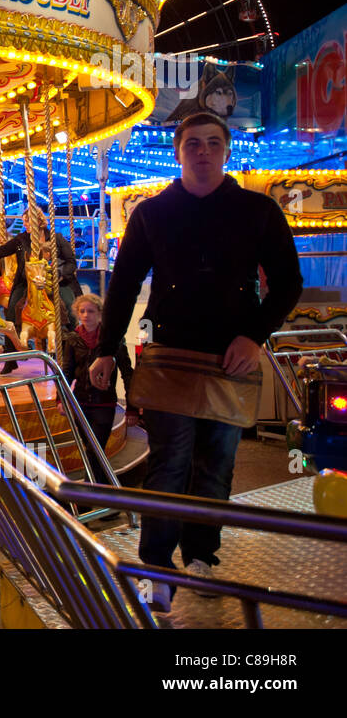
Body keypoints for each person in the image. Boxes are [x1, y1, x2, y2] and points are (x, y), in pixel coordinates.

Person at [89, 112, 302, 613]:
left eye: (211, 143)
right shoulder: (152, 213)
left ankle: (202, 555)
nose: (202, 151)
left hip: (231, 356)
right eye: (192, 144)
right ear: (178, 151)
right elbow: (122, 286)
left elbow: (288, 282)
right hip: (170, 355)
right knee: (169, 462)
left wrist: (253, 337)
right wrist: (105, 349)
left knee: (217, 462)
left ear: (226, 151)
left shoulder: (258, 210)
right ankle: (156, 567)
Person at [0, 208, 77, 374]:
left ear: (38, 221)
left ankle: (67, 355)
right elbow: (0, 251)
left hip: (54, 281)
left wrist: (59, 275)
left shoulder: (56, 238)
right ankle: (10, 358)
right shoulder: (20, 240)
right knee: (11, 312)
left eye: (27, 220)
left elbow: (71, 261)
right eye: (24, 220)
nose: (24, 223)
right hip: (26, 283)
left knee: (69, 308)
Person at [61, 294, 133, 451]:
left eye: (91, 311)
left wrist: (132, 407)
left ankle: (93, 477)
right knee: (88, 448)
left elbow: (127, 373)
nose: (86, 315)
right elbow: (67, 371)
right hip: (81, 402)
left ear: (100, 314)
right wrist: (60, 399)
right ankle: (98, 476)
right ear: (77, 313)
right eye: (82, 311)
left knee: (96, 449)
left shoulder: (113, 341)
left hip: (104, 402)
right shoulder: (73, 339)